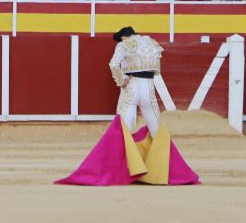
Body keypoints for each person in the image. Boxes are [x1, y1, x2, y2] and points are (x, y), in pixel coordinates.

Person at [58, 25, 200, 186]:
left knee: (123, 129)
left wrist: (122, 81)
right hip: (149, 88)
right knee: (157, 131)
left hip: (132, 87)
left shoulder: (124, 44)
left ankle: (119, 172)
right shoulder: (151, 43)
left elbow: (113, 65)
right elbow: (156, 70)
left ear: (124, 37)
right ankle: (167, 174)